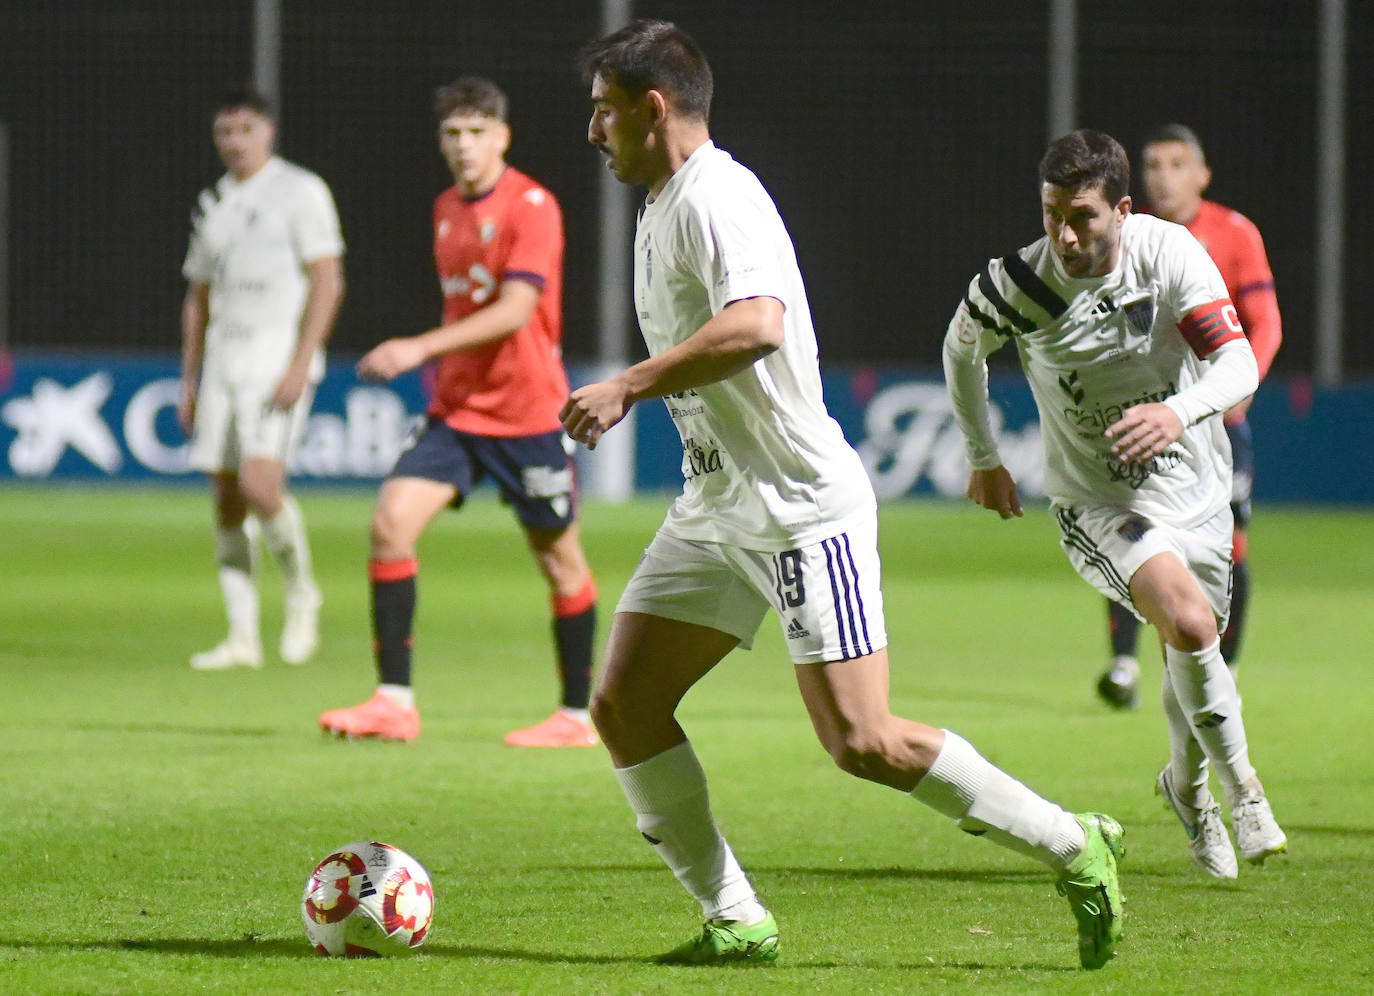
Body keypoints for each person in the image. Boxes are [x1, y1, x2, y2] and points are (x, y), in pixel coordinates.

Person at [562, 20, 1123, 969]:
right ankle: (735, 915)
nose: (591, 130)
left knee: (862, 741)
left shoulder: (719, 197)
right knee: (623, 705)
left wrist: (627, 382)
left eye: (603, 110)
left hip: (795, 506)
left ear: (654, 109)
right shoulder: (664, 202)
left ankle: (1073, 843)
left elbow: (758, 325)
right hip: (717, 507)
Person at [943, 128, 1287, 879]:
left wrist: (1178, 411)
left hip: (1198, 489)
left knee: (1190, 648)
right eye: (1051, 214)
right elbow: (960, 346)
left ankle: (1185, 789)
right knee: (1191, 624)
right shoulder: (1020, 284)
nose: (1065, 235)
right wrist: (983, 457)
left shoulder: (1168, 255)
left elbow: (1235, 362)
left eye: (1084, 218)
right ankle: (1245, 791)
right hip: (1098, 502)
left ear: (1122, 211)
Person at [317, 77, 598, 748]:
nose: (464, 146)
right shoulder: (446, 206)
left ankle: (576, 718)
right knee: (390, 525)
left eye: (477, 132)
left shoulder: (533, 206)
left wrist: (419, 347)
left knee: (559, 562)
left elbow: (514, 312)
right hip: (459, 413)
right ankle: (394, 702)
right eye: (452, 134)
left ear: (503, 135)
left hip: (528, 413)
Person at [1095, 123, 1283, 710]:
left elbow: (1266, 322)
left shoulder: (1233, 233)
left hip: (1216, 424)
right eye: (1152, 165)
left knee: (1229, 547)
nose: (1163, 176)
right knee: (1129, 531)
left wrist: (1239, 385)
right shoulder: (1130, 235)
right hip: (1148, 419)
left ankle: (1218, 671)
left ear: (1202, 174)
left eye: (1177, 164)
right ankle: (1124, 661)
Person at [179, 87, 344, 671]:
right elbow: (197, 297)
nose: (234, 142)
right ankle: (241, 637)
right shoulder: (213, 202)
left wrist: (302, 360)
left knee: (259, 485)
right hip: (223, 362)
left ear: (268, 132)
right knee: (224, 498)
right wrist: (189, 379)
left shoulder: (300, 191)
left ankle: (303, 594)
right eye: (225, 132)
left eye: (245, 129)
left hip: (275, 359)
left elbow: (327, 280)